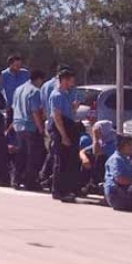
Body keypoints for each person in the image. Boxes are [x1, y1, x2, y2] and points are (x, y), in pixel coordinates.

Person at [48, 69, 82, 202]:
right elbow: (57, 117)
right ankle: (59, 190)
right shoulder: (56, 95)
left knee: (69, 160)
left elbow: (68, 113)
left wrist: (74, 108)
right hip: (61, 129)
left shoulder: (66, 95)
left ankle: (68, 188)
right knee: (61, 161)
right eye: (70, 81)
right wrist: (64, 136)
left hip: (69, 125)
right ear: (63, 80)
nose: (72, 83)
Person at [11, 70, 46, 190]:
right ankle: (30, 181)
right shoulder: (35, 91)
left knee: (21, 153)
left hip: (18, 125)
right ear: (39, 79)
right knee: (33, 156)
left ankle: (16, 179)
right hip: (30, 126)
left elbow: (13, 107)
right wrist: (41, 128)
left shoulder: (19, 89)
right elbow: (35, 111)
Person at [78, 120, 116, 195]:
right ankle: (83, 185)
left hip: (112, 170)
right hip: (101, 169)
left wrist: (95, 137)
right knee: (86, 157)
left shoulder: (113, 142)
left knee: (100, 158)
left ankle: (96, 184)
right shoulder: (102, 141)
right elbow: (82, 151)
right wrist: (85, 159)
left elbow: (96, 152)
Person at [0, 55, 29, 128]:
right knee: (10, 129)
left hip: (24, 107)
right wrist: (4, 105)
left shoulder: (25, 73)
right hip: (11, 107)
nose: (19, 67)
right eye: (16, 65)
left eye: (20, 65)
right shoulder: (3, 75)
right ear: (11, 65)